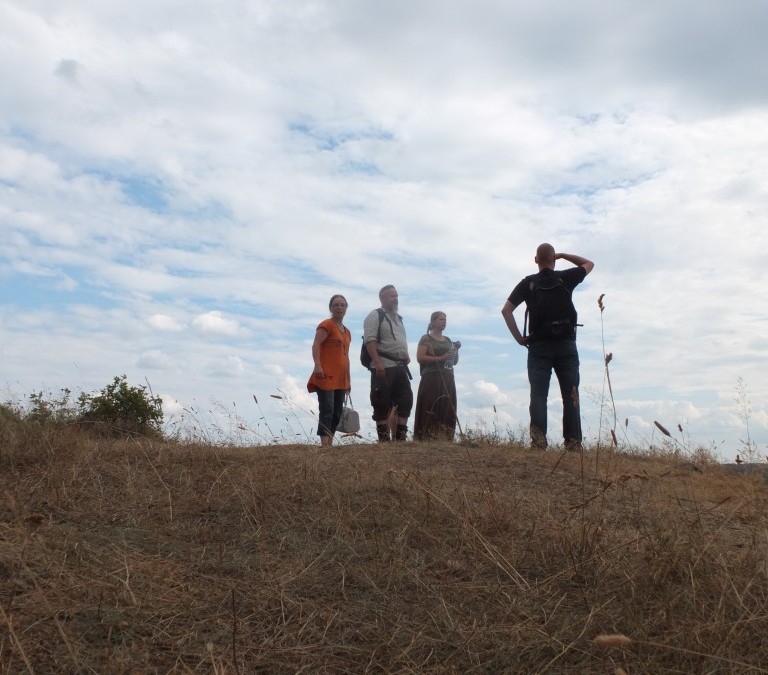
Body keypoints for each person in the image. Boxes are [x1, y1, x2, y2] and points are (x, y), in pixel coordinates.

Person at [501, 243, 594, 451]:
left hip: (539, 346)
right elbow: (589, 263)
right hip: (566, 345)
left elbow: (506, 310)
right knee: (571, 396)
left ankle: (538, 443)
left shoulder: (528, 283)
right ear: (553, 259)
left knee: (538, 395)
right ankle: (573, 444)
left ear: (536, 260)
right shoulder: (566, 277)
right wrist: (563, 255)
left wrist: (519, 338)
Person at [363, 285, 412, 442]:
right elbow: (370, 340)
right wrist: (377, 362)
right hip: (383, 365)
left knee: (406, 400)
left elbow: (400, 340)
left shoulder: (398, 318)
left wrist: (405, 354)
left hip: (400, 366)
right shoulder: (375, 315)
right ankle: (384, 441)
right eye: (392, 296)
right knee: (381, 401)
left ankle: (400, 439)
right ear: (382, 298)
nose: (395, 299)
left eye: (396, 296)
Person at [307, 294, 351, 446]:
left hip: (341, 378)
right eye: (336, 305)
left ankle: (330, 442)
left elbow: (346, 356)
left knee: (337, 411)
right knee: (327, 409)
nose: (339, 308)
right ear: (330, 308)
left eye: (342, 305)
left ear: (346, 308)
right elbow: (316, 344)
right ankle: (325, 444)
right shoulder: (327, 325)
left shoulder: (347, 332)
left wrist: (348, 379)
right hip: (325, 375)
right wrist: (317, 364)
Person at [414, 311, 461, 441]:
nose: (444, 322)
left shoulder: (448, 340)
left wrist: (456, 350)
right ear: (433, 322)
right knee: (430, 406)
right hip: (431, 377)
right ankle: (426, 437)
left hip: (448, 377)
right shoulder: (426, 338)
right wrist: (441, 358)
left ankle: (445, 438)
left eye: (445, 320)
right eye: (441, 319)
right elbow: (420, 358)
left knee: (447, 407)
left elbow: (454, 362)